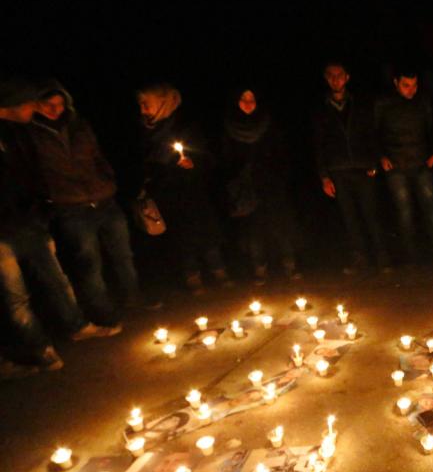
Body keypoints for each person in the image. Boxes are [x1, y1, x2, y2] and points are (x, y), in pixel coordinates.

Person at [1, 79, 120, 374]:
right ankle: (40, 349)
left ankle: (77, 326)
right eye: (31, 103)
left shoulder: (19, 133)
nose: (36, 108)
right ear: (13, 105)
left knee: (56, 279)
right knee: (15, 294)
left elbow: (30, 175)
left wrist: (40, 206)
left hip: (29, 221)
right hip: (3, 229)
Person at [28, 81, 139, 327]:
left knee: (123, 254)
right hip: (71, 207)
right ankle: (103, 311)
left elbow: (97, 154)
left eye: (59, 104)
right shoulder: (31, 133)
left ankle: (134, 299)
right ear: (36, 104)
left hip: (104, 199)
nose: (54, 109)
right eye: (48, 104)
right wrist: (49, 196)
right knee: (89, 263)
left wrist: (108, 179)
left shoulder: (79, 126)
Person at [137, 83, 230, 292]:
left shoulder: (185, 126)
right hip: (166, 192)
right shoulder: (144, 131)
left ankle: (219, 270)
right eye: (140, 104)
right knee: (183, 237)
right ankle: (192, 276)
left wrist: (192, 163)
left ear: (163, 103)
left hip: (192, 189)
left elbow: (205, 155)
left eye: (146, 103)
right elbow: (144, 163)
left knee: (206, 231)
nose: (142, 109)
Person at [314, 61, 389, 270]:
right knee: (349, 218)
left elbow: (371, 134)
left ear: (347, 77)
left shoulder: (360, 104)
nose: (336, 79)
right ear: (326, 78)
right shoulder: (321, 108)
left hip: (363, 167)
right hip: (338, 170)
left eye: (339, 75)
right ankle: (360, 258)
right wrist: (324, 176)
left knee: (371, 213)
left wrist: (374, 162)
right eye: (331, 75)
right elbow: (319, 144)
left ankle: (382, 257)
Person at [221, 87, 300, 284]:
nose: (248, 104)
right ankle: (259, 269)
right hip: (247, 188)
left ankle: (289, 266)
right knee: (253, 230)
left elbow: (282, 154)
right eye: (243, 98)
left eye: (252, 99)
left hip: (271, 184)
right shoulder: (229, 127)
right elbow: (225, 158)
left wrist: (277, 175)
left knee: (280, 226)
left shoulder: (269, 123)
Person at [374, 68, 433, 263]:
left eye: (414, 85)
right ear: (396, 83)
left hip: (421, 164)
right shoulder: (384, 105)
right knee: (404, 212)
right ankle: (411, 257)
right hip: (396, 166)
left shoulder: (423, 103)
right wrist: (381, 157)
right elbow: (374, 134)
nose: (411, 90)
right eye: (406, 85)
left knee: (431, 209)